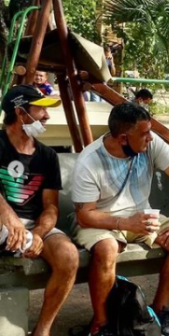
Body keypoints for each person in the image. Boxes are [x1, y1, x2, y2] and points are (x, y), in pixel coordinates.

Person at [72, 102, 169, 336]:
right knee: (107, 249)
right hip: (102, 220)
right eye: (144, 133)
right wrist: (124, 223)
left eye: (150, 131)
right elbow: (84, 216)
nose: (150, 138)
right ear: (122, 138)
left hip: (142, 218)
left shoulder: (150, 143)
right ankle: (102, 325)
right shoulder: (90, 161)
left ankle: (157, 312)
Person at [0, 85, 79, 336]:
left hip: (31, 225)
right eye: (41, 110)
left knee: (68, 256)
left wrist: (39, 233)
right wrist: (10, 219)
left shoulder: (47, 156)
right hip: (3, 221)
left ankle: (42, 330)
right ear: (21, 112)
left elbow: (51, 207)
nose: (46, 116)